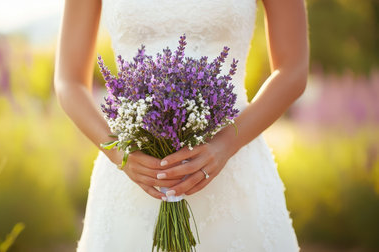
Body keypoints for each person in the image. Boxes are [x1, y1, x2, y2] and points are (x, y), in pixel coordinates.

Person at [54, 0, 308, 251]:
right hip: (133, 172)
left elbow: (293, 69)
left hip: (234, 167)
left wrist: (225, 145)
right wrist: (118, 151)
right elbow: (69, 81)